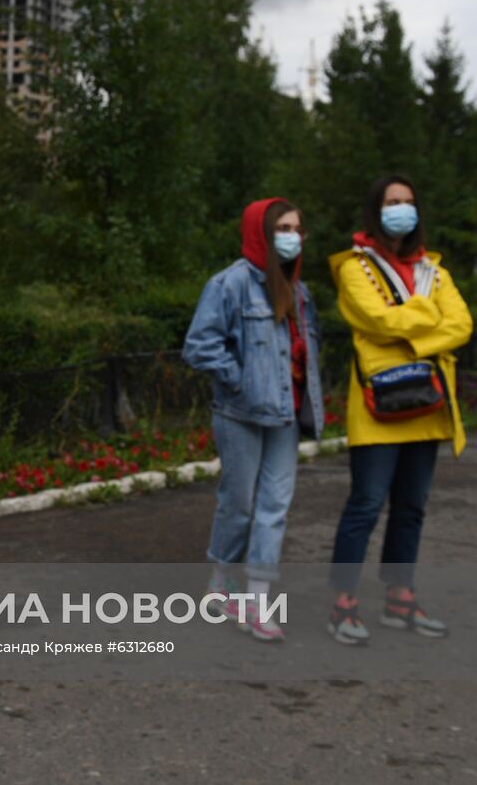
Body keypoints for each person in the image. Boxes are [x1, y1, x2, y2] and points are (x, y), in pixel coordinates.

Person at [326, 175, 472, 645]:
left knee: (411, 507)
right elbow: (374, 319)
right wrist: (429, 319)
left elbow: (463, 323)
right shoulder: (354, 268)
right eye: (392, 202)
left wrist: (405, 332)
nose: (401, 209)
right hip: (378, 404)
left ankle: (398, 597)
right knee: (365, 504)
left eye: (408, 202)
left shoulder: (436, 270)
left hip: (427, 403)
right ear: (376, 209)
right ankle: (342, 601)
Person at [183, 198, 324, 643]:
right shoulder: (230, 284)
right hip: (240, 414)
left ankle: (259, 599)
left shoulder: (299, 292)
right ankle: (221, 582)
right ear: (259, 232)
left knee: (274, 508)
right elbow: (199, 346)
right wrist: (240, 379)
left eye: (297, 229)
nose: (291, 237)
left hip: (284, 414)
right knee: (240, 504)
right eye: (282, 227)